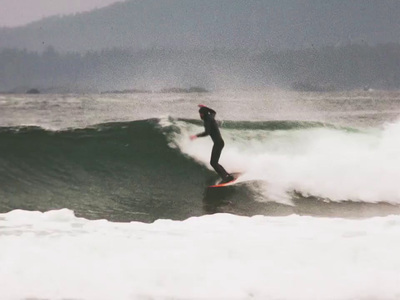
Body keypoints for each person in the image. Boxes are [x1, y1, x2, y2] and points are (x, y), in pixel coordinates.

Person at [190, 104, 234, 183]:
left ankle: (226, 177)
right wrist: (204, 107)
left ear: (203, 114)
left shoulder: (207, 121)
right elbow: (213, 111)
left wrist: (196, 136)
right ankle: (226, 175)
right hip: (220, 143)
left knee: (213, 162)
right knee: (214, 162)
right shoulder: (211, 117)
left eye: (200, 114)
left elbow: (207, 132)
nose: (200, 115)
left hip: (218, 144)